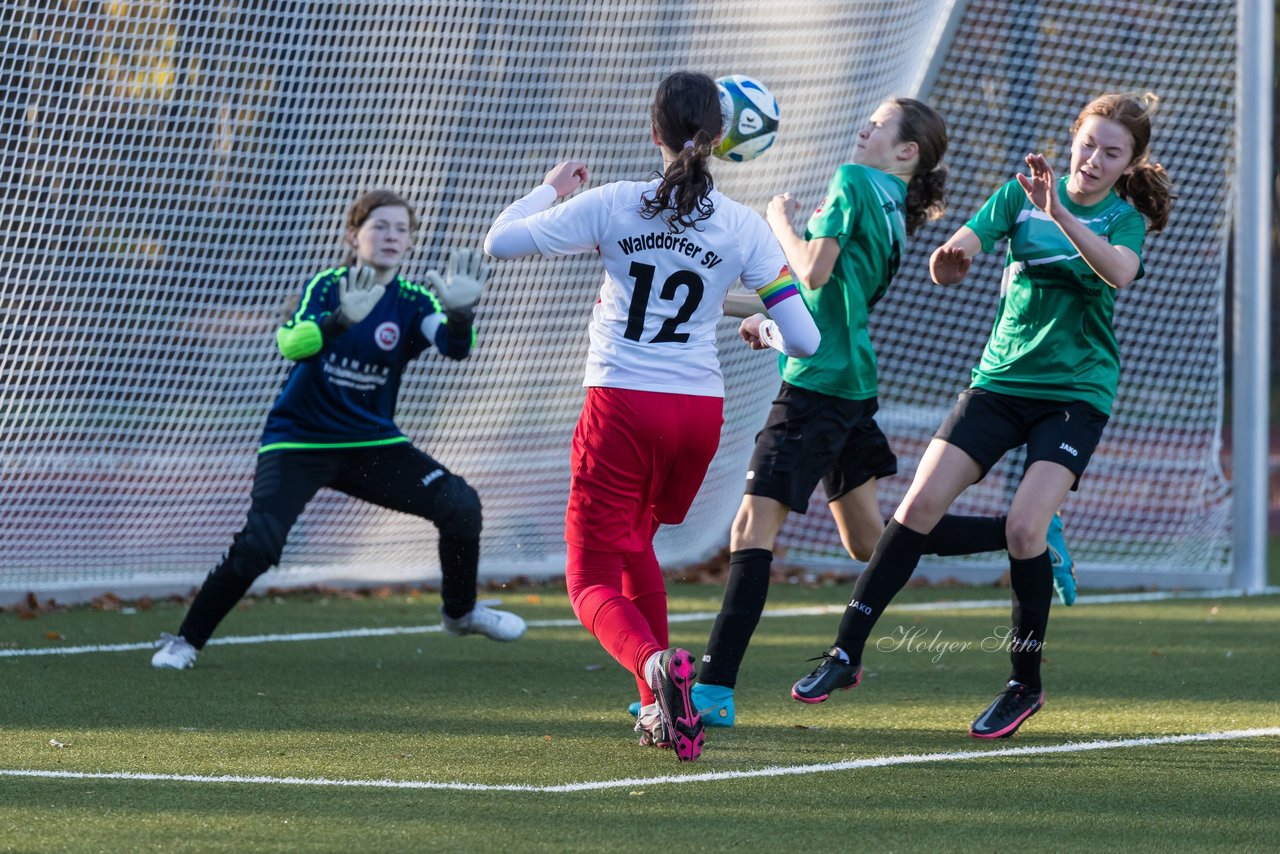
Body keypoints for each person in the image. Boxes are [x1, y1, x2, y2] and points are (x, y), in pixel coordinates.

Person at [789, 92, 1174, 738]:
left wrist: (1060, 213)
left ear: (1131, 162)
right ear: (1072, 137)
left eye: (1113, 153)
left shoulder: (1120, 220)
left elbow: (1117, 274)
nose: (1094, 160)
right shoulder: (1017, 194)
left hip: (1076, 395)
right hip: (998, 383)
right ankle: (844, 652)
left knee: (1024, 531)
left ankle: (1023, 685)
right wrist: (951, 261)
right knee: (913, 511)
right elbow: (957, 254)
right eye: (1088, 144)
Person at [484, 70, 820, 762]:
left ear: (652, 130)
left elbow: (501, 241)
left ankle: (654, 670)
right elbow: (807, 339)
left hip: (623, 405)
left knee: (587, 579)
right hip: (697, 415)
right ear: (722, 140)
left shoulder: (612, 203)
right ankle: (658, 709)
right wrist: (764, 328)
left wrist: (554, 188)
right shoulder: (744, 225)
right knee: (636, 540)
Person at [686, 98, 1037, 729]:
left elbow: (813, 273)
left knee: (748, 531)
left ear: (907, 151)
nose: (862, 128)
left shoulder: (851, 183)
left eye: (877, 124)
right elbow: (829, 303)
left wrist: (777, 222)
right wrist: (747, 314)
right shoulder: (893, 207)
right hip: (847, 381)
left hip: (818, 385)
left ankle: (712, 690)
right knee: (869, 541)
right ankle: (1026, 533)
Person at [151, 190, 526, 670]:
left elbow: (454, 347)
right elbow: (292, 344)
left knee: (460, 504)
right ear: (354, 235)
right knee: (260, 545)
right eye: (380, 226)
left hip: (371, 444)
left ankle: (461, 613)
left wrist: (460, 314)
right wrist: (341, 319)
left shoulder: (413, 300)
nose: (392, 236)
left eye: (402, 229)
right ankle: (185, 641)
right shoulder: (328, 286)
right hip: (299, 441)